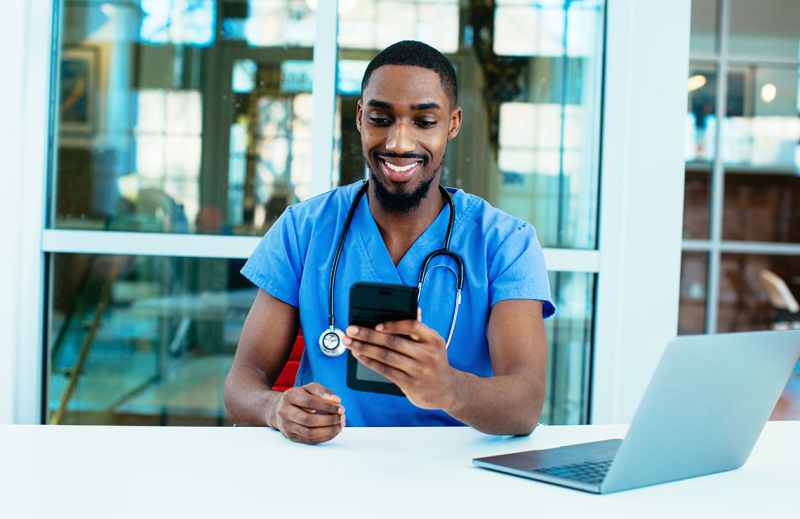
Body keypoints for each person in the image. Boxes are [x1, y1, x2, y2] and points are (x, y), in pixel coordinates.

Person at [224, 40, 554, 445]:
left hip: (456, 475)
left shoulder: (506, 243)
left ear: (452, 124)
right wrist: (273, 409)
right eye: (381, 118)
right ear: (361, 119)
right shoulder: (303, 229)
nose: (399, 142)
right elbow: (241, 384)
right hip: (331, 466)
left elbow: (526, 405)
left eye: (424, 122)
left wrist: (449, 387)